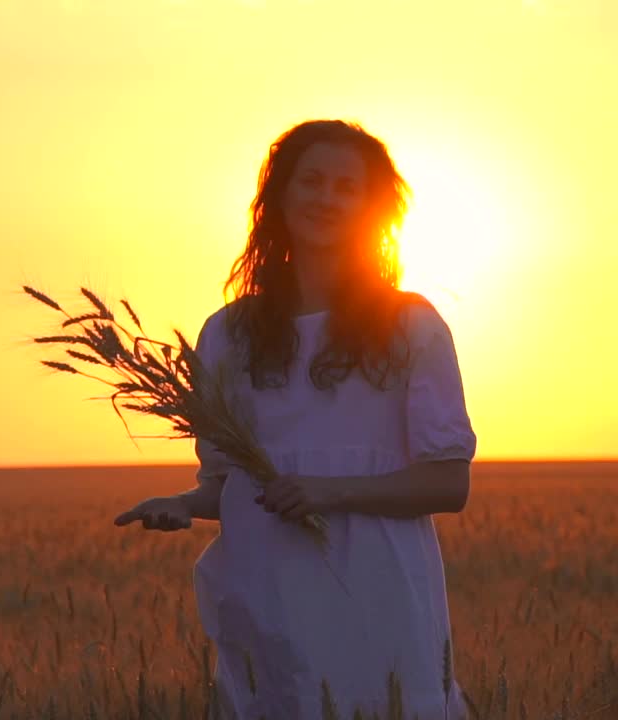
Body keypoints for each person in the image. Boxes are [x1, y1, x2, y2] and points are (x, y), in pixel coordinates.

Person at [114, 119, 477, 720]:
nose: (326, 198)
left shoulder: (411, 325)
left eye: (345, 186)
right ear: (279, 198)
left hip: (378, 588)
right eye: (311, 181)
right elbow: (233, 487)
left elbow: (449, 483)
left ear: (372, 209)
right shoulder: (228, 333)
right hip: (271, 590)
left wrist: (329, 494)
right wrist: (185, 503)